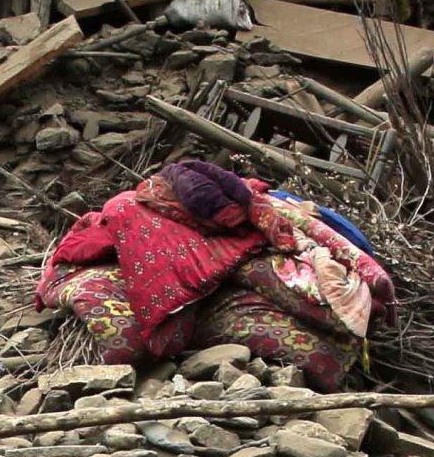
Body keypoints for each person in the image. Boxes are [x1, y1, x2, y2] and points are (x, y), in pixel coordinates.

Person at [35, 153, 390, 389]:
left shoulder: (257, 212)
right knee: (123, 337)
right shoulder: (130, 209)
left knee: (313, 338)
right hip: (179, 294)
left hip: (228, 284)